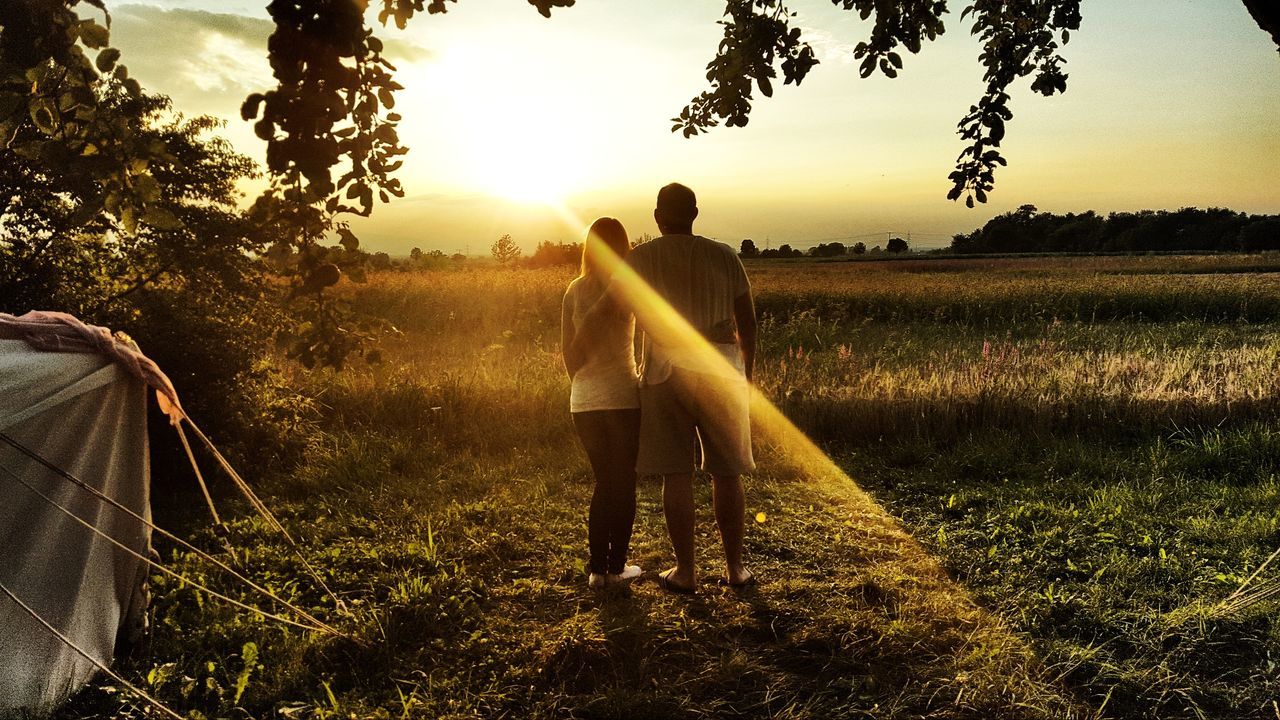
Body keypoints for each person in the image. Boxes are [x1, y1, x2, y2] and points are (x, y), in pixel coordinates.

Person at [580, 183, 757, 594]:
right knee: (727, 474)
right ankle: (734, 570)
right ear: (695, 213)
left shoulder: (641, 259)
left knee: (676, 474)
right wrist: (746, 376)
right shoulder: (726, 256)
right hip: (722, 371)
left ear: (658, 217)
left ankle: (686, 572)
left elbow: (604, 309)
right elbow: (747, 324)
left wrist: (578, 349)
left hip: (664, 372)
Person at [561, 217, 644, 589]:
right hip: (624, 399)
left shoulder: (574, 290)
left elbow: (567, 355)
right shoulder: (627, 289)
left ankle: (598, 571)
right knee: (622, 484)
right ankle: (616, 567)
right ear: (623, 248)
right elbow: (653, 336)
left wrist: (583, 388)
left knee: (603, 482)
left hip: (584, 403)